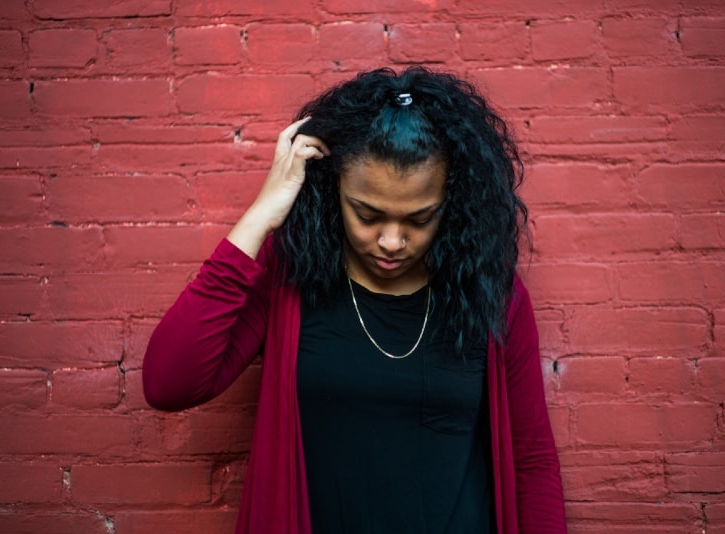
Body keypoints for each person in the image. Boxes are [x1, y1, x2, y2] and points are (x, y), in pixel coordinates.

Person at [142, 66, 566, 534]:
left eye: (419, 219)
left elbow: (531, 461)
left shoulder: (490, 294)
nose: (391, 240)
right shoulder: (289, 280)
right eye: (367, 214)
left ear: (453, 203)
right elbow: (169, 383)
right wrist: (263, 213)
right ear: (333, 191)